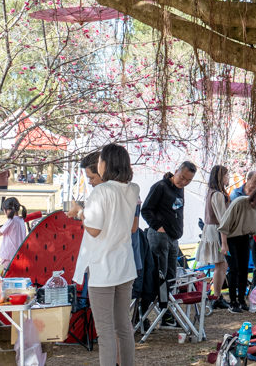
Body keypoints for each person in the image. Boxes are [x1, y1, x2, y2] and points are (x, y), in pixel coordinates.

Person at [73, 144, 139, 366]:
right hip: (125, 265)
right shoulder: (133, 189)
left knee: (106, 332)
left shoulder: (101, 191)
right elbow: (131, 226)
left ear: (107, 163)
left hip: (103, 268)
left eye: (101, 160)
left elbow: (93, 229)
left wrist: (79, 212)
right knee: (123, 327)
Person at [141, 160, 196, 313]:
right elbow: (146, 210)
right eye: (182, 177)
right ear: (176, 171)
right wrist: (158, 227)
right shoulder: (160, 187)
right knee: (158, 277)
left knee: (171, 276)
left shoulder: (180, 190)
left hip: (174, 238)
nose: (184, 182)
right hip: (159, 237)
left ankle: (166, 313)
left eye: (188, 180)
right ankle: (144, 314)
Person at [219, 181, 256, 313]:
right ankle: (233, 301)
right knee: (234, 269)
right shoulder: (240, 202)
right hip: (229, 238)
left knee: (243, 269)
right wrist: (224, 245)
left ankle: (241, 300)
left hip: (244, 238)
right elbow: (224, 225)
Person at [198, 165, 230, 310]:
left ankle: (216, 294)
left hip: (213, 229)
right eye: (226, 175)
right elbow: (223, 218)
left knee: (222, 264)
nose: (228, 178)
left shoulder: (212, 193)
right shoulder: (217, 194)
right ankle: (216, 296)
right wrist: (225, 240)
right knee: (220, 264)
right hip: (216, 230)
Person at [0, 197, 27, 270]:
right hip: (19, 253)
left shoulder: (10, 220)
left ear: (8, 210)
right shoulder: (21, 220)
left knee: (4, 274)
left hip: (8, 254)